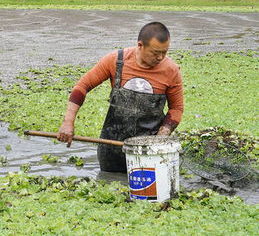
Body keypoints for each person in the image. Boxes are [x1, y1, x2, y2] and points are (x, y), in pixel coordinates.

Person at [57, 22, 184, 172]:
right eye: (155, 52)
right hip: (111, 147)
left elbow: (176, 108)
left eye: (164, 52)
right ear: (140, 45)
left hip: (147, 150)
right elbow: (81, 87)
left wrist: (161, 137)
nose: (160, 57)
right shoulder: (116, 61)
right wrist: (68, 122)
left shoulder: (171, 70)